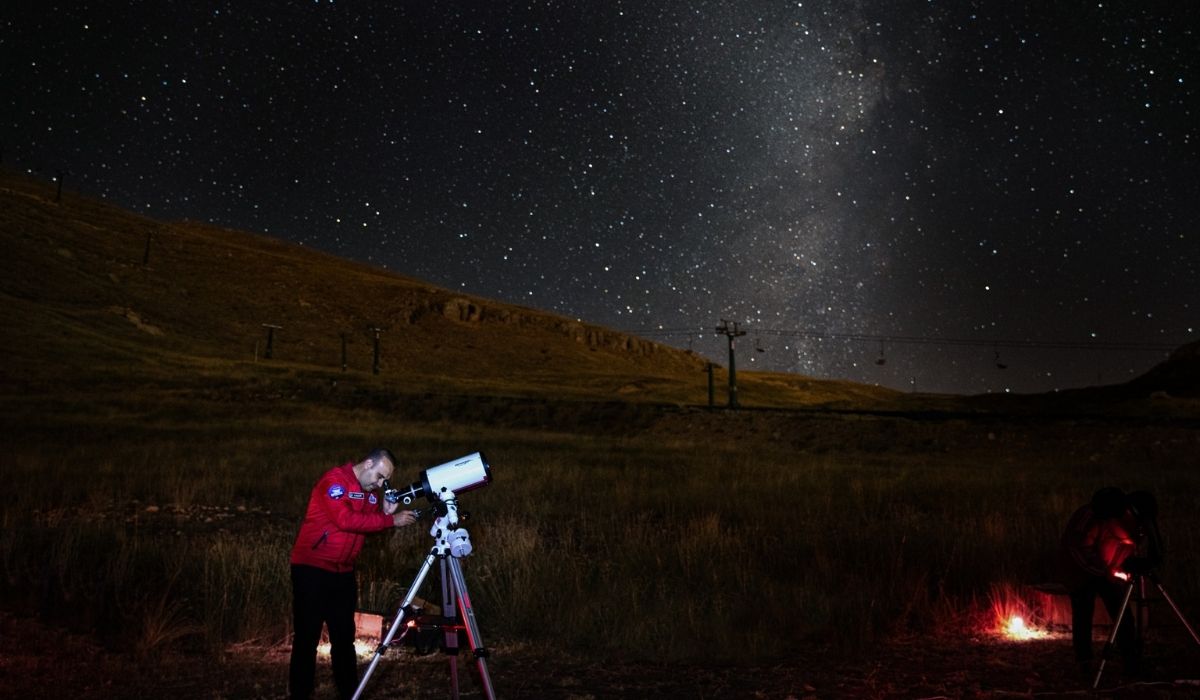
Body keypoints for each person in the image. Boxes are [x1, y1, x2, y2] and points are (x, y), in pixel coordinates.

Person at [288, 448, 418, 700]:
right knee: (307, 638)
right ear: (368, 463)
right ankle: (300, 694)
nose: (380, 483)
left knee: (344, 639)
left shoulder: (370, 495)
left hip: (343, 573)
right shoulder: (335, 482)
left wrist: (384, 514)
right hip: (311, 569)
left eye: (385, 480)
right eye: (379, 476)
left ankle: (350, 693)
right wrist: (391, 521)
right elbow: (345, 520)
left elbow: (367, 525)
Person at [1058, 486, 1156, 678]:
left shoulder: (1121, 514)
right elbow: (1078, 549)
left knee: (1122, 613)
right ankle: (1085, 661)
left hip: (1106, 569)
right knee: (1083, 614)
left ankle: (1130, 658)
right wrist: (1105, 572)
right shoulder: (1086, 519)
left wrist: (1120, 567)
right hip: (1081, 572)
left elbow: (1125, 542)